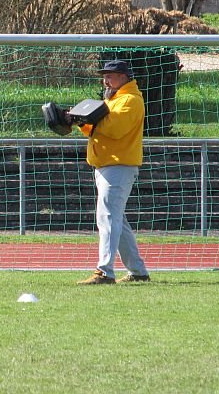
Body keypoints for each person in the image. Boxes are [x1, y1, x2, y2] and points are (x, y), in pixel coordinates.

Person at [73, 60, 150, 285]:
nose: (105, 80)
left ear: (124, 77)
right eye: (104, 76)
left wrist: (85, 118)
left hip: (119, 167)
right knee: (117, 221)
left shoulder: (130, 99)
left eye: (110, 76)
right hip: (108, 166)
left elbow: (114, 129)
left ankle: (105, 271)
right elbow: (96, 129)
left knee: (107, 218)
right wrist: (77, 120)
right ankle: (138, 272)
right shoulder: (114, 99)